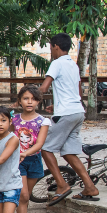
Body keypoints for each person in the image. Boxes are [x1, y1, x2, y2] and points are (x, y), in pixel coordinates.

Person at [39, 33, 99, 204]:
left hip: (66, 113)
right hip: (77, 112)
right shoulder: (73, 65)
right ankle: (90, 186)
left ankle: (61, 184)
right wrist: (57, 105)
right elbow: (77, 92)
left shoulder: (56, 63)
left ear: (56, 46)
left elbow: (44, 88)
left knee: (45, 147)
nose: (51, 51)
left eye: (51, 48)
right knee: (68, 152)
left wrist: (26, 98)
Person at [12, 85, 49, 213]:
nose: (29, 102)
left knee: (25, 199)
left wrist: (25, 153)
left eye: (33, 99)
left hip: (34, 160)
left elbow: (40, 143)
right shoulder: (13, 119)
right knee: (24, 195)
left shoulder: (43, 121)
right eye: (26, 98)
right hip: (17, 162)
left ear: (38, 102)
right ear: (19, 101)